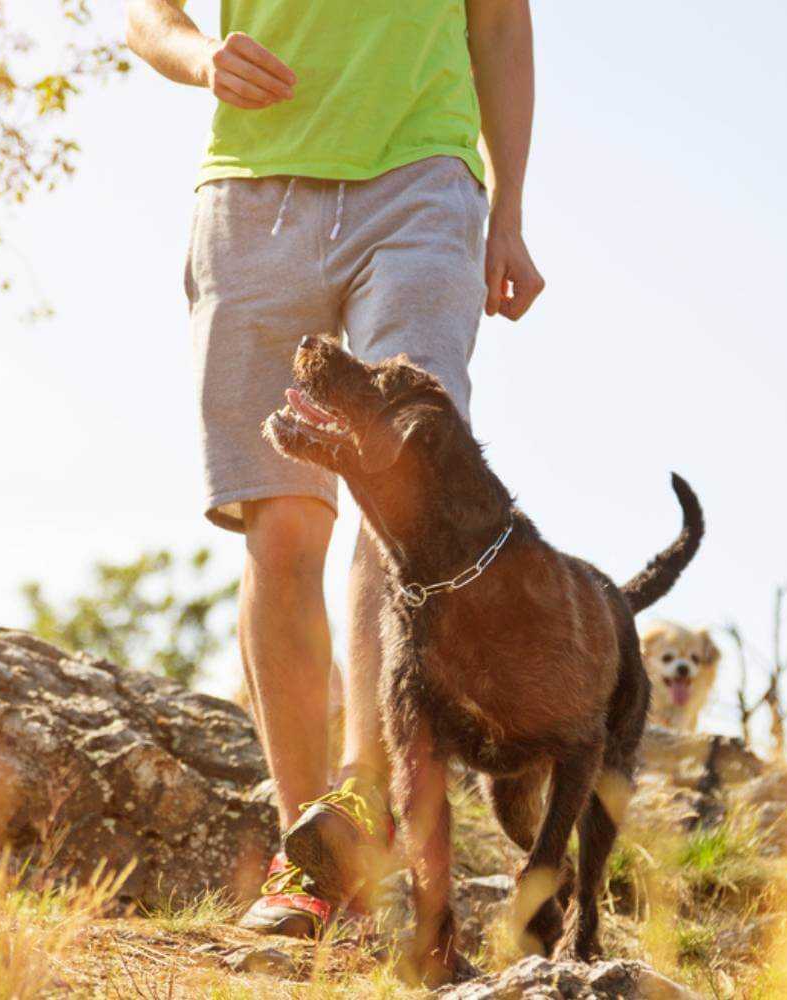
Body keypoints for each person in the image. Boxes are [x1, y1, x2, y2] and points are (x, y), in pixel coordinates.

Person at [126, 0, 544, 937]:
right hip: (250, 198)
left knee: (397, 483)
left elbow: (502, 27)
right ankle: (306, 853)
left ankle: (364, 792)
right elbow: (146, 15)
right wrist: (201, 60)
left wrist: (508, 213)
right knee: (283, 524)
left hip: (423, 185)